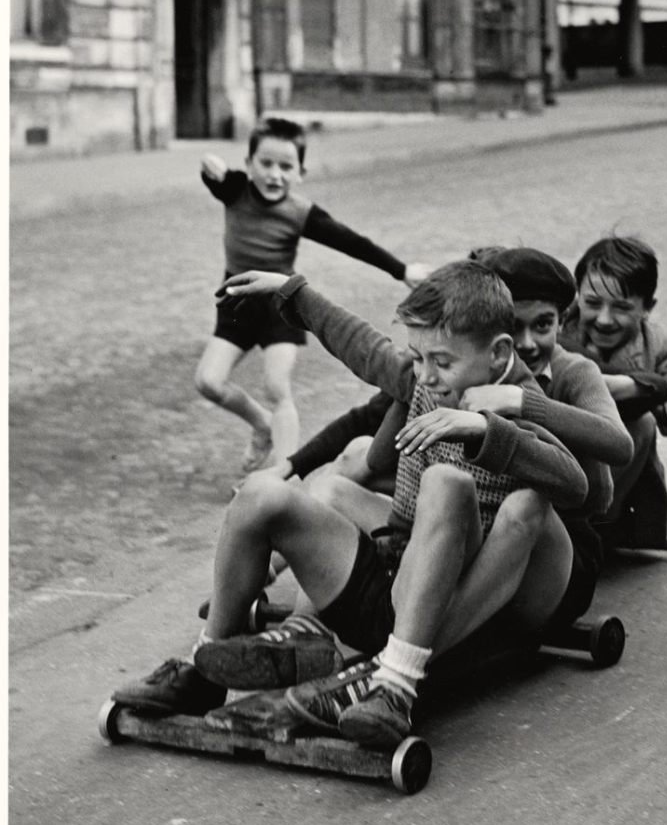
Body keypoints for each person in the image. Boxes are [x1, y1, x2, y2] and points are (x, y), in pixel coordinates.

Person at [113, 261, 588, 747]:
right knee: (261, 494)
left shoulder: (517, 400)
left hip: (454, 601)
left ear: (498, 353)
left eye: (442, 363)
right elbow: (360, 345)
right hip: (391, 576)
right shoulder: (423, 377)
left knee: (447, 481)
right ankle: (204, 669)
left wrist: (488, 429)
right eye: (418, 359)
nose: (426, 377)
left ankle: (394, 689)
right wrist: (294, 294)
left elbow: (574, 483)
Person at [259, 246, 633, 631]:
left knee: (520, 504)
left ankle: (418, 643)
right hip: (476, 520)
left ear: (562, 323)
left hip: (548, 541)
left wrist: (520, 402)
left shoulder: (571, 372)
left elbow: (613, 455)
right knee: (355, 457)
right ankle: (298, 615)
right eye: (513, 326)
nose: (526, 343)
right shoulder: (448, 368)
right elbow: (372, 406)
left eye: (542, 325)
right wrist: (295, 463)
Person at [196, 115, 427, 473]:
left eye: (286, 167)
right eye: (266, 164)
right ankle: (261, 424)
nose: (275, 174)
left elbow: (351, 241)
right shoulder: (236, 190)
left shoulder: (301, 212)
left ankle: (281, 476)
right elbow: (217, 180)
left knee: (277, 387)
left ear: (300, 172)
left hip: (280, 305)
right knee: (208, 381)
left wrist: (401, 270)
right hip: (236, 305)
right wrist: (209, 171)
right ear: (248, 165)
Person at [560, 234, 667, 546]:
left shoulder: (660, 344)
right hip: (561, 463)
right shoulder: (553, 326)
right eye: (592, 303)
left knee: (641, 421)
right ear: (577, 295)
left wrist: (644, 396)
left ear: (648, 308)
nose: (605, 319)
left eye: (622, 307)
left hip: (617, 493)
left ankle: (590, 530)